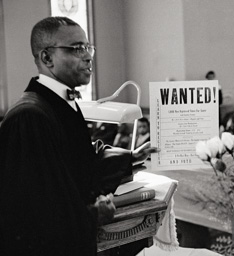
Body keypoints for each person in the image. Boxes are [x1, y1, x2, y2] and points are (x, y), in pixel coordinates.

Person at [0, 17, 158, 256]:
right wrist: (93, 216)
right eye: (76, 49)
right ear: (47, 58)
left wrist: (129, 158)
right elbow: (34, 210)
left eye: (88, 47)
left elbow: (75, 165)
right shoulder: (29, 117)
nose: (88, 56)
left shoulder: (62, 103)